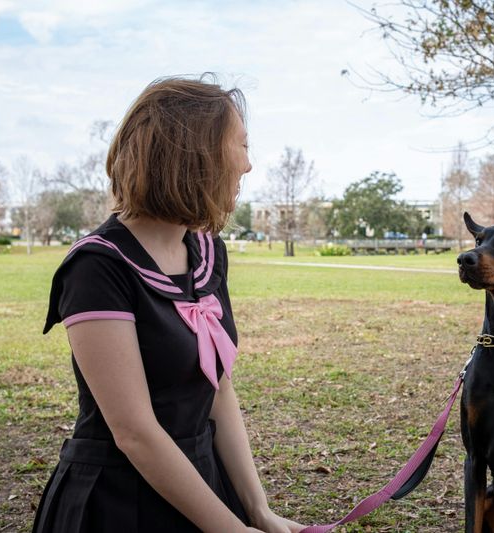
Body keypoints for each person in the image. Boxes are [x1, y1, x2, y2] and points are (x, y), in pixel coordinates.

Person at [33, 76, 304, 533]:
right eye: (240, 145)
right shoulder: (98, 266)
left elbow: (217, 389)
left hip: (204, 486)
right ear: (193, 157)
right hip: (119, 501)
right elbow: (134, 432)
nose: (248, 165)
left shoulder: (208, 251)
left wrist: (257, 511)